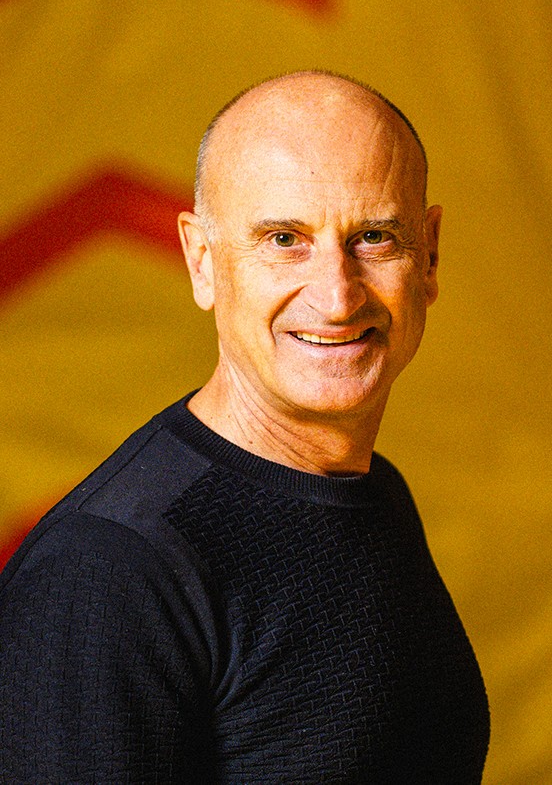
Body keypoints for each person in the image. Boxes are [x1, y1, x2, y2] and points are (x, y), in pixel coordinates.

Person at [0, 71, 490, 782]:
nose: (337, 296)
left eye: (374, 237)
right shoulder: (108, 572)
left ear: (430, 255)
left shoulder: (374, 492)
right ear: (201, 260)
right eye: (285, 239)